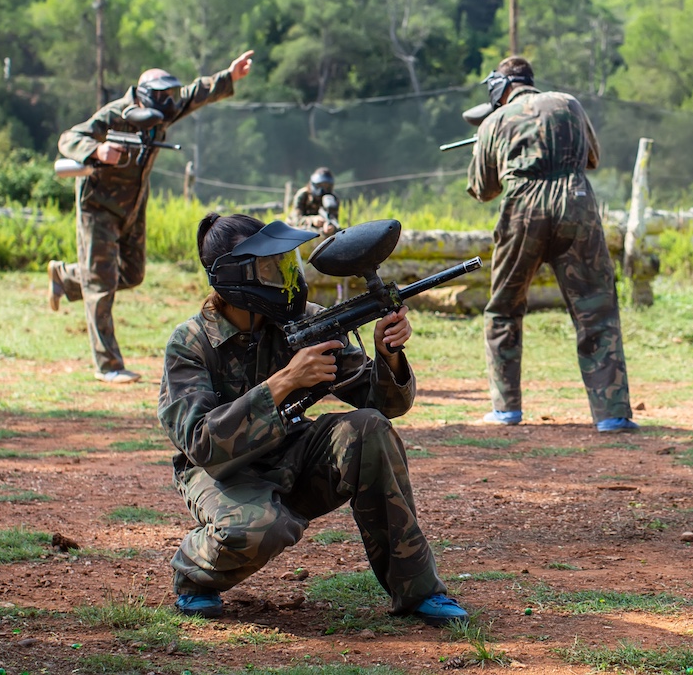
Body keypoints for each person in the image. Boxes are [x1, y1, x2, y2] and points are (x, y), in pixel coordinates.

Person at [159, 212, 466, 625]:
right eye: (271, 268)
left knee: (370, 429)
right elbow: (201, 444)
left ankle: (418, 591)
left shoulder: (304, 321)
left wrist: (388, 353)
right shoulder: (191, 343)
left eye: (286, 264)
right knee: (262, 528)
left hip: (290, 452)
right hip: (220, 473)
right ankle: (194, 573)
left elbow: (384, 404)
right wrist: (285, 381)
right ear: (234, 277)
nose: (285, 278)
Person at [47, 51, 255, 383]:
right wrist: (98, 150)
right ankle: (108, 365)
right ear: (146, 96)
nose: (170, 102)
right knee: (101, 284)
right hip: (97, 207)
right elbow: (69, 138)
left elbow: (193, 94)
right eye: (163, 96)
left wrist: (230, 76)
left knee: (132, 274)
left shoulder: (162, 113)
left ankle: (66, 276)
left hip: (132, 205)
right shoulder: (115, 114)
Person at [465, 56, 637, 432]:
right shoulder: (568, 103)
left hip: (523, 210)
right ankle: (612, 415)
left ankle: (506, 410)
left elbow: (483, 190)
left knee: (504, 309)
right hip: (576, 204)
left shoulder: (494, 122)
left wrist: (485, 147)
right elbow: (592, 158)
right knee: (596, 310)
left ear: (499, 87)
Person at [291, 167, 340, 235]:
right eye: (320, 185)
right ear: (314, 184)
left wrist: (330, 227)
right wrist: (312, 220)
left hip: (320, 232)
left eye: (326, 186)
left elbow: (334, 218)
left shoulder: (332, 198)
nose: (323, 189)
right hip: (299, 230)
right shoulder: (303, 195)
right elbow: (296, 220)